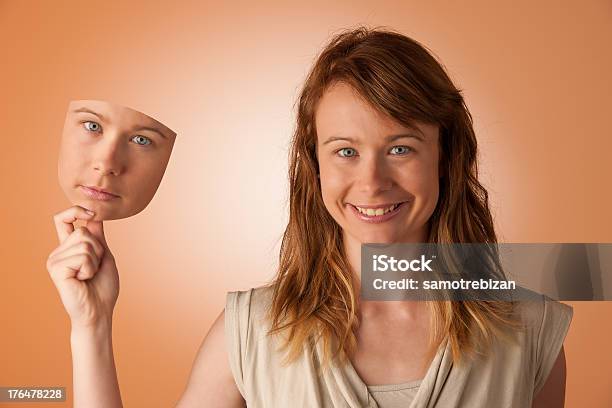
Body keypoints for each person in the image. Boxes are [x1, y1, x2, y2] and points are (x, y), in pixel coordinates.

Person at [47, 27, 573, 407]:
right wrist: (91, 326)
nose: (371, 182)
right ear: (314, 165)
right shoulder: (251, 330)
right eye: (345, 151)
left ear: (446, 155)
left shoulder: (530, 328)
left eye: (401, 149)